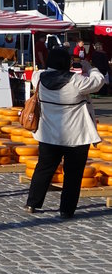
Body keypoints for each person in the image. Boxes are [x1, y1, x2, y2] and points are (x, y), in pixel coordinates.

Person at [25, 46, 104, 217]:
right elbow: (98, 81)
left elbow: (43, 71)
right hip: (76, 135)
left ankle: (32, 203)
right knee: (73, 174)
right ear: (67, 63)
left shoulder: (38, 77)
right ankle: (66, 210)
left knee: (44, 168)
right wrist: (89, 67)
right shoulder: (77, 81)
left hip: (47, 133)